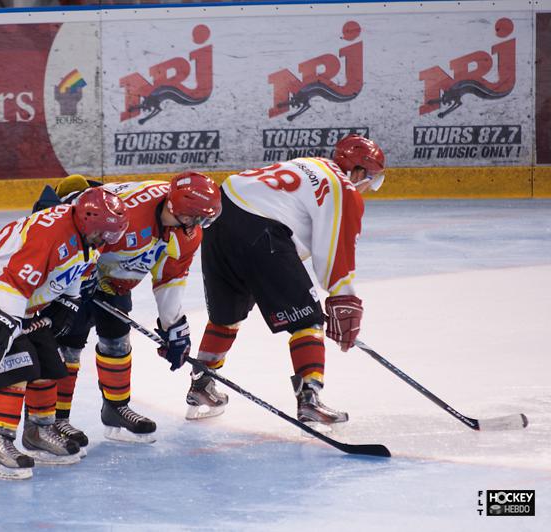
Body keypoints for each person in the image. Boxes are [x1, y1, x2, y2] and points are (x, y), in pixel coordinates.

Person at [185, 134, 386, 426]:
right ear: (357, 171)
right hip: (262, 229)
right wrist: (343, 296)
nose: (369, 187)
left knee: (225, 317)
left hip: (219, 215)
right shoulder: (344, 188)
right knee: (307, 320)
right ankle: (310, 399)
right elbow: (335, 248)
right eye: (372, 179)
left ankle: (201, 386)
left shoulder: (310, 164)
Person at [0, 187, 129, 480]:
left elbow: (77, 266)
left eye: (112, 235)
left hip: (18, 293)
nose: (107, 241)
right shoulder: (51, 234)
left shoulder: (88, 234)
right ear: (88, 221)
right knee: (13, 362)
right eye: (104, 234)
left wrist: (69, 301)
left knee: (50, 362)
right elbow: (13, 280)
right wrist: (8, 320)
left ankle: (38, 432)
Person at [34, 172, 221, 446]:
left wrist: (173, 325)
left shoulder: (187, 233)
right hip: (75, 270)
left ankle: (116, 408)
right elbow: (73, 228)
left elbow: (170, 277)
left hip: (113, 280)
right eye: (196, 218)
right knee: (68, 345)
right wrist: (75, 281)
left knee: (117, 341)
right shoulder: (129, 216)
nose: (198, 226)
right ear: (175, 208)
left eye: (205, 219)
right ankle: (56, 419)